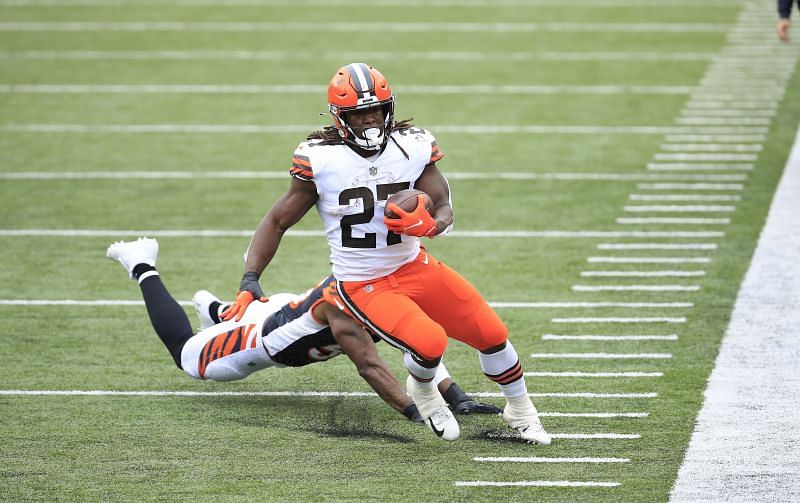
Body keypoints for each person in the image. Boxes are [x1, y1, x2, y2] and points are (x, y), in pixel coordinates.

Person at [224, 63, 551, 444]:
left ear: (388, 108)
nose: (369, 121)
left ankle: (522, 411)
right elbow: (278, 220)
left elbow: (444, 205)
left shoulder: (411, 145)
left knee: (492, 332)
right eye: (359, 114)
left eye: (376, 110)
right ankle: (424, 390)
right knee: (429, 342)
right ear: (340, 117)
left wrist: (431, 225)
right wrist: (250, 277)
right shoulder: (320, 158)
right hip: (363, 282)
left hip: (414, 264)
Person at [106, 237, 501, 427]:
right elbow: (371, 366)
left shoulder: (372, 289)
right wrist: (420, 413)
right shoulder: (342, 310)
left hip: (287, 307)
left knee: (280, 308)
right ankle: (141, 263)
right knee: (187, 357)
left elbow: (417, 346)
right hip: (260, 343)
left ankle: (220, 310)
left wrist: (457, 398)